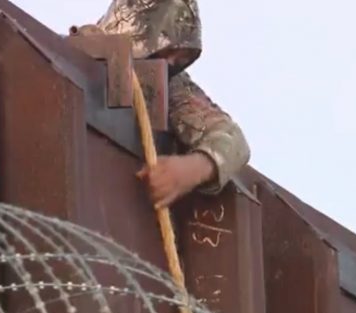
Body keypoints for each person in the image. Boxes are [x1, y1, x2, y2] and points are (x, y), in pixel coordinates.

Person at [74, 0, 250, 210]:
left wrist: (190, 170)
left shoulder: (173, 86)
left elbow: (231, 139)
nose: (173, 63)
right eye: (168, 49)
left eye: (182, 56)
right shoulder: (75, 52)